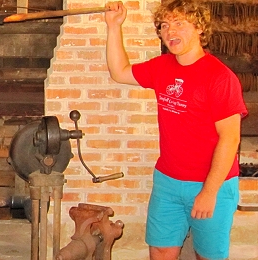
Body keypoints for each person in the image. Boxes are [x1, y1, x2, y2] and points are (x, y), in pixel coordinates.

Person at [104, 0, 248, 259]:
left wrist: (208, 191)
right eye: (165, 25)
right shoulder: (161, 67)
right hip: (168, 182)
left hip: (211, 184)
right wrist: (114, 27)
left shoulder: (220, 78)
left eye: (180, 23)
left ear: (200, 29)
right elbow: (120, 72)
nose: (170, 31)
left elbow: (230, 138)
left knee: (209, 255)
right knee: (160, 250)